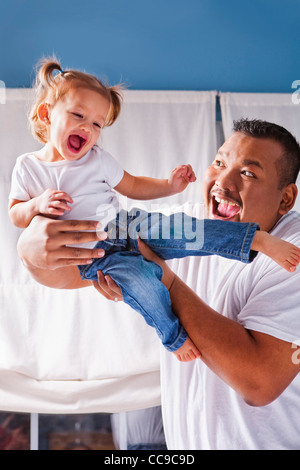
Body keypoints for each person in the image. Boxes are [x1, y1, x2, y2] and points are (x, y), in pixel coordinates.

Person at [16, 118, 300, 449]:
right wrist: (30, 254)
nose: (223, 180)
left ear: (285, 199)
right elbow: (68, 271)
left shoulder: (293, 254)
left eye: (248, 173)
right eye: (220, 162)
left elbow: (259, 382)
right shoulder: (190, 225)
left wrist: (162, 280)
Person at [9, 60, 300, 364]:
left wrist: (170, 186)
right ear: (46, 113)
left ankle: (257, 241)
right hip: (98, 255)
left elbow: (133, 185)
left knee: (190, 230)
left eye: (97, 124)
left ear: (286, 198)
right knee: (142, 285)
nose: (88, 129)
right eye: (78, 116)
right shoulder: (29, 167)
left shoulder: (97, 158)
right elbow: (16, 213)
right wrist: (36, 207)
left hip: (125, 225)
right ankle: (173, 337)